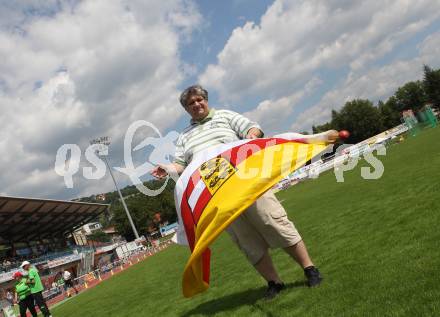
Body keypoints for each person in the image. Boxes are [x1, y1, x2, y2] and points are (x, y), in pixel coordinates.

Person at [151, 85, 339, 299]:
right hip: (219, 195)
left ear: (206, 99)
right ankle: (274, 282)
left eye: (199, 100)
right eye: (190, 103)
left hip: (246, 181)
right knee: (246, 240)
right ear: (186, 109)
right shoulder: (184, 137)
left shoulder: (225, 116)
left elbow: (253, 129)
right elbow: (180, 165)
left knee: (274, 221)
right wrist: (167, 169)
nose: (196, 105)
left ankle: (310, 269)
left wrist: (251, 135)